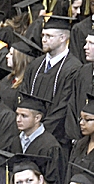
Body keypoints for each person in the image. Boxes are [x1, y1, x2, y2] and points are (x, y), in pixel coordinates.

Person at [21, 15, 83, 149]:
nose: (43, 40)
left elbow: (64, 105)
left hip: (56, 140)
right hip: (28, 135)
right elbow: (24, 94)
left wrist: (41, 132)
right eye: (43, 35)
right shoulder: (35, 65)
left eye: (49, 36)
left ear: (63, 38)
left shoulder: (74, 68)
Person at [15, 93, 67, 184]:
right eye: (17, 114)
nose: (18, 119)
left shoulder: (50, 146)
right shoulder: (15, 141)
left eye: (24, 116)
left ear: (37, 118)